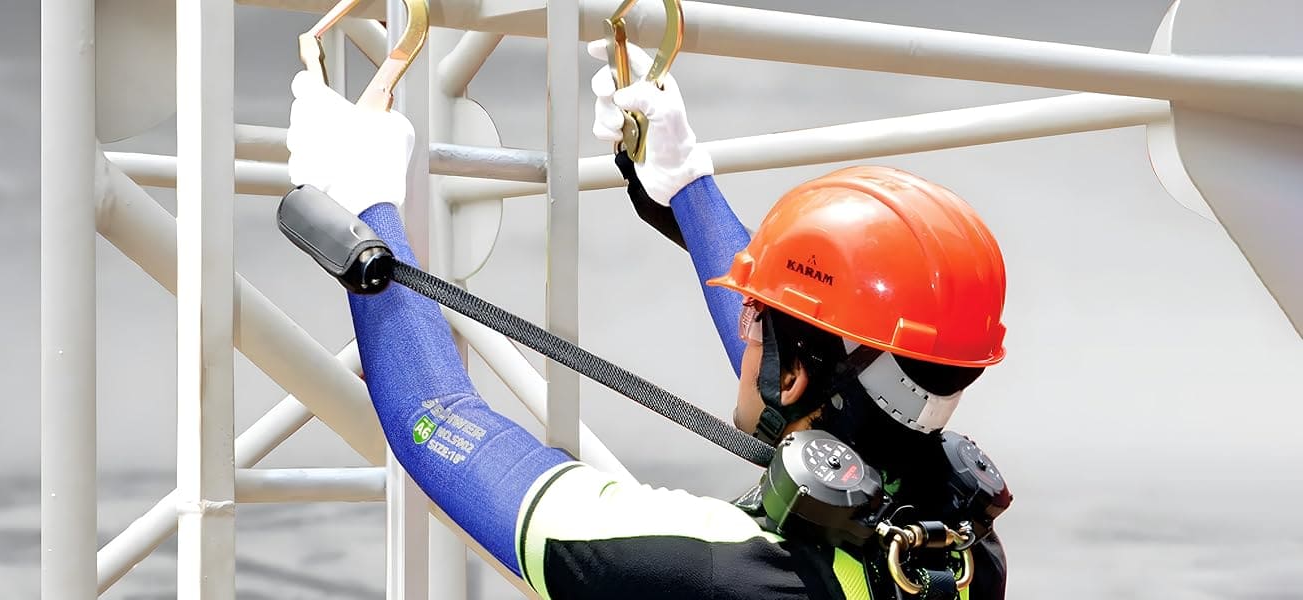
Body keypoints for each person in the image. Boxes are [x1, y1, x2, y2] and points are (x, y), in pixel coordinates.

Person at [286, 39, 1009, 600]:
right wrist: (686, 185)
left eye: (753, 317)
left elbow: (435, 417)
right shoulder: (964, 557)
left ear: (791, 376)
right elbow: (823, 376)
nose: (743, 329)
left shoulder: (715, 571)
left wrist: (362, 200)